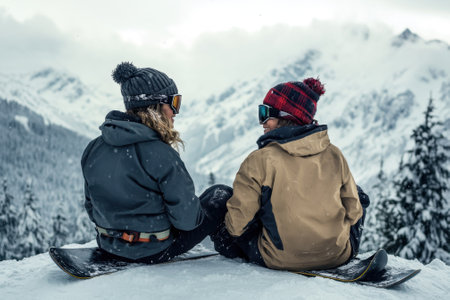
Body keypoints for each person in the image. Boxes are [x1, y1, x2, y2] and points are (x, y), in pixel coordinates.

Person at [210, 78, 370, 270]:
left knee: (224, 199)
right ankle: (328, 249)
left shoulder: (259, 160)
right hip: (336, 255)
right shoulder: (334, 154)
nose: (262, 122)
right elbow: (354, 212)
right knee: (358, 195)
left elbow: (237, 225)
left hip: (277, 259)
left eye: (265, 113)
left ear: (286, 116)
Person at [81, 62, 232, 263]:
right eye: (174, 103)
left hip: (109, 244)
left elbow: (92, 208)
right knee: (220, 194)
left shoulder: (94, 148)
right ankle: (232, 249)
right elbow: (187, 221)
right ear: (156, 106)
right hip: (153, 249)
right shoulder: (161, 154)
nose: (175, 112)